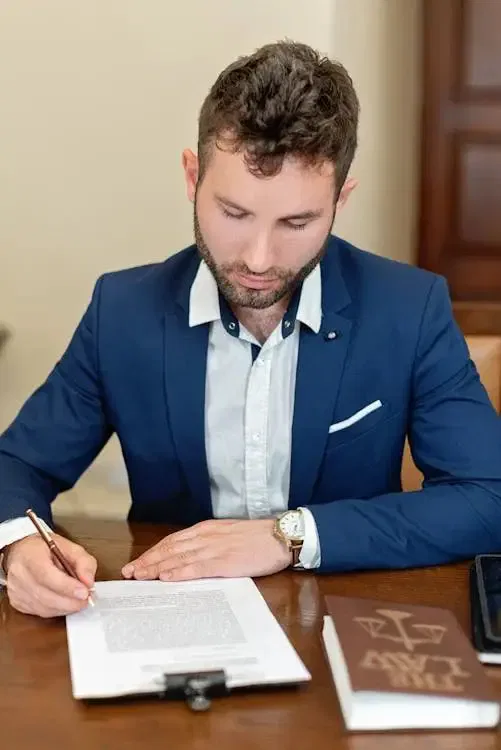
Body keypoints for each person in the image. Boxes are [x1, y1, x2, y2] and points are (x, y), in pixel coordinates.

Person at [1, 41, 501, 620]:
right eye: (235, 214)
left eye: (297, 222)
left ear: (340, 199)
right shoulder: (122, 311)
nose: (259, 259)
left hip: (345, 621)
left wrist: (290, 535)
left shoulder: (410, 309)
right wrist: (15, 544)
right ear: (192, 176)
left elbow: (488, 498)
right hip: (170, 624)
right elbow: (17, 466)